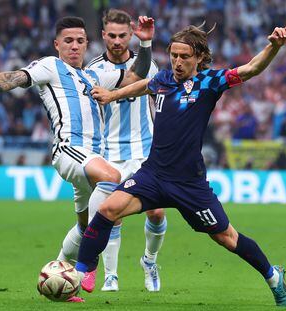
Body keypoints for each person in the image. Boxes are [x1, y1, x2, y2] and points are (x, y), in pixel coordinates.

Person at [77, 24, 286, 306]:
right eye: (174, 56)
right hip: (152, 175)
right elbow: (146, 84)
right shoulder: (165, 79)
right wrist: (112, 95)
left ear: (199, 57)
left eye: (184, 57)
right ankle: (81, 272)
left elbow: (250, 69)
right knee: (107, 209)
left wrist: (274, 47)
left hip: (189, 184)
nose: (178, 62)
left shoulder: (210, 82)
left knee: (227, 238)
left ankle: (273, 276)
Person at [0, 15, 155, 302]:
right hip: (70, 150)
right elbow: (14, 79)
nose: (74, 46)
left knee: (84, 227)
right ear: (57, 44)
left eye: (80, 41)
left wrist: (144, 42)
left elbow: (135, 77)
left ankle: (58, 276)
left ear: (86, 44)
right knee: (112, 178)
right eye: (68, 41)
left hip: (93, 157)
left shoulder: (95, 76)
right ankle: (89, 263)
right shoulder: (51, 66)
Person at [84, 9, 166, 293]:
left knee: (156, 212)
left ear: (130, 34)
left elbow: (151, 94)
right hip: (111, 153)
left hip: (145, 151)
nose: (117, 41)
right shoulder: (93, 70)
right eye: (112, 36)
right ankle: (111, 275)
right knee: (113, 213)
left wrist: (145, 46)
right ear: (103, 35)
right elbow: (132, 81)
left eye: (122, 35)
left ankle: (150, 261)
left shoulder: (149, 66)